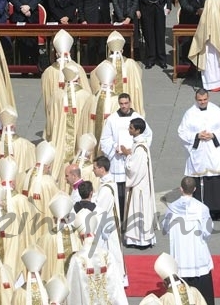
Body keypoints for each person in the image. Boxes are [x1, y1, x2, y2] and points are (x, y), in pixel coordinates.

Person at [178, 89, 220, 221]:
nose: (202, 102)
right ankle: (195, 210)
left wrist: (213, 135)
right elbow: (182, 132)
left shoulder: (217, 111)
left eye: (204, 99)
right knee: (195, 180)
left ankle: (216, 211)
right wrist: (197, 135)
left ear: (208, 98)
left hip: (213, 150)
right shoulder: (190, 113)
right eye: (199, 100)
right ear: (196, 99)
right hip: (198, 150)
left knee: (215, 180)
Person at [161, 176, 214, 305]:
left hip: (180, 258)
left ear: (181, 189)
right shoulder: (202, 208)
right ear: (195, 189)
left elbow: (165, 228)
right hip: (197, 258)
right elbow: (207, 232)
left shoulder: (171, 208)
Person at [100, 92, 152, 220]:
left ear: (130, 102)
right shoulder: (112, 119)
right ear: (119, 103)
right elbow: (105, 139)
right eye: (121, 103)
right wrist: (116, 147)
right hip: (117, 160)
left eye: (126, 103)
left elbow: (147, 135)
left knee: (132, 190)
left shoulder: (137, 117)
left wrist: (134, 150)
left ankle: (131, 216)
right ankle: (120, 215)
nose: (124, 106)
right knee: (120, 191)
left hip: (133, 160)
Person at [67, 209, 129, 305]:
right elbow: (117, 288)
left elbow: (73, 293)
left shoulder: (77, 259)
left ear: (80, 237)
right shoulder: (107, 255)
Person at [90, 31, 144, 116]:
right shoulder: (131, 64)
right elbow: (137, 81)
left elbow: (94, 80)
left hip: (110, 106)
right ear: (122, 50)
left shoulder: (103, 65)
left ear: (109, 50)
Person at [123, 117, 157, 249]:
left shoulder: (141, 148)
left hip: (139, 186)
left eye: (131, 128)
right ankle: (135, 239)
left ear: (138, 130)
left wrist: (127, 156)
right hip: (139, 185)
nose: (129, 129)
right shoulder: (138, 144)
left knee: (139, 210)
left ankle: (142, 240)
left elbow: (135, 169)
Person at [93, 155, 127, 286]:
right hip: (110, 222)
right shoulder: (107, 182)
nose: (93, 170)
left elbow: (99, 209)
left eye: (95, 168)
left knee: (111, 250)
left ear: (102, 169)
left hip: (107, 225)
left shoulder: (107, 188)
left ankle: (116, 277)